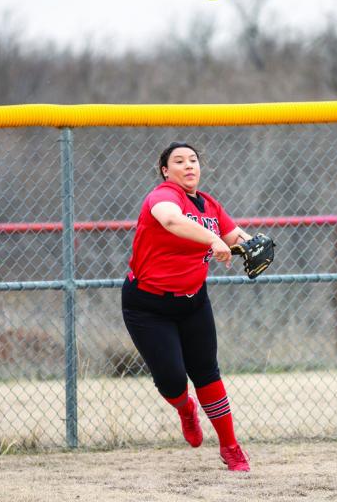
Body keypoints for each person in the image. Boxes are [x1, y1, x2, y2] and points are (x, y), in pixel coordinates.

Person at [122, 141, 252, 472]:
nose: (188, 165)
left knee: (207, 372)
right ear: (166, 171)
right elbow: (171, 221)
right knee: (172, 380)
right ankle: (184, 409)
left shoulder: (209, 204)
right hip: (148, 306)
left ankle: (230, 447)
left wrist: (253, 244)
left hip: (193, 301)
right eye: (178, 161)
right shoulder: (163, 196)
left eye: (193, 160)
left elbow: (233, 233)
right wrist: (213, 240)